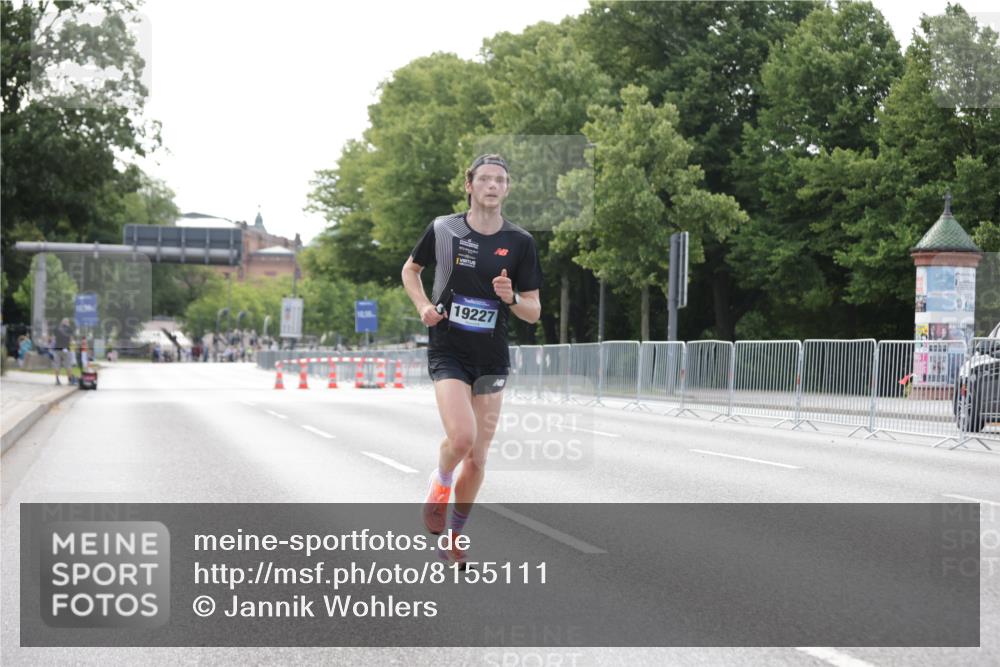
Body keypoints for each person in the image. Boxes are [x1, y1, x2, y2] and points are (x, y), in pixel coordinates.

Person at [401, 154, 542, 567]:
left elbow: (532, 310)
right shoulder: (443, 229)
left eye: (500, 180)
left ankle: (454, 537)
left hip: (491, 356)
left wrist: (510, 297)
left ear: (507, 188)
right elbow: (411, 270)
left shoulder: (520, 242)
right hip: (448, 347)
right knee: (460, 439)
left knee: (479, 458)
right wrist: (423, 306)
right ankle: (440, 483)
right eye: (485, 179)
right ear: (469, 185)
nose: (493, 186)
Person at [53, 318, 75, 385]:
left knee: (57, 364)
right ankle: (70, 381)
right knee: (68, 365)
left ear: (61, 322)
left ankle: (57, 380)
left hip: (57, 349)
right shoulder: (69, 329)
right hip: (65, 349)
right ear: (67, 322)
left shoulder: (56, 329)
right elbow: (71, 339)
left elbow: (54, 337)